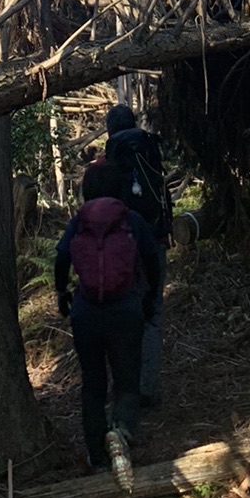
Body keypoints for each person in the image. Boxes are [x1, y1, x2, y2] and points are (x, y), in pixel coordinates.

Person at [55, 158, 162, 479]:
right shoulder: (131, 220)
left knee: (92, 384)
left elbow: (61, 257)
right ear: (119, 189)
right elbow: (152, 261)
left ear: (86, 190)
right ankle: (122, 429)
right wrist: (149, 298)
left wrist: (62, 294)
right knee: (127, 382)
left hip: (86, 313)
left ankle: (96, 456)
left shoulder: (78, 222)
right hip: (125, 310)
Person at [104, 103, 172, 402]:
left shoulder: (111, 157)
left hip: (123, 249)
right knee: (152, 315)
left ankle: (124, 387)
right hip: (155, 242)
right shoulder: (149, 148)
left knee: (122, 316)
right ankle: (147, 387)